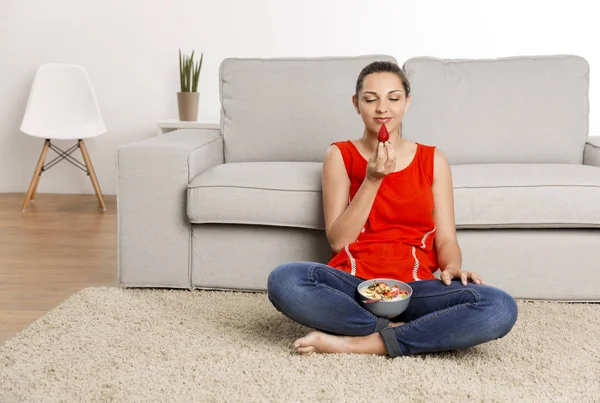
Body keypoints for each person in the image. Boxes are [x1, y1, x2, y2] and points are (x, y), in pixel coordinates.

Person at [266, 61, 518, 357]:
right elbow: (338, 241)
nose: (382, 109)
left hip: (415, 289)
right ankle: (408, 331)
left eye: (393, 98)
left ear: (407, 103)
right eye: (371, 99)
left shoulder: (433, 159)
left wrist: (452, 267)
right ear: (356, 104)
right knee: (285, 279)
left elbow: (447, 240)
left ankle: (363, 341)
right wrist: (372, 179)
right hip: (353, 286)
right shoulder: (339, 155)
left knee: (499, 306)